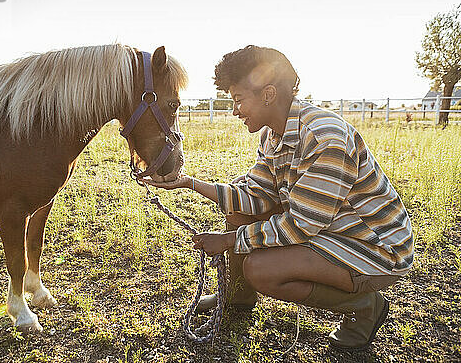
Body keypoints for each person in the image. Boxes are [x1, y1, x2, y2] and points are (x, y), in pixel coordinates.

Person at [144, 45, 414, 350]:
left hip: (372, 249)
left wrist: (228, 241)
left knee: (262, 271)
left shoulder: (325, 139)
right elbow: (255, 196)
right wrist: (187, 183)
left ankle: (365, 306)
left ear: (268, 94)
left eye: (238, 100)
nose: (234, 111)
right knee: (238, 208)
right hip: (330, 230)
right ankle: (238, 297)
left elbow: (300, 226)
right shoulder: (274, 133)